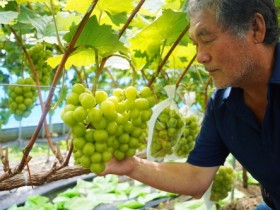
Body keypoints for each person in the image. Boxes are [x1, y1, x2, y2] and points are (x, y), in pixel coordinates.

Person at [99, 0, 280, 209]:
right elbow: (196, 177)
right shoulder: (222, 105)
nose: (200, 57)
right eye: (196, 44)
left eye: (207, 39)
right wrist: (131, 166)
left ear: (255, 28)